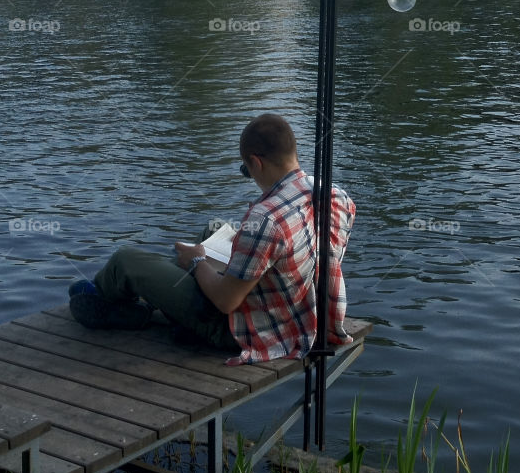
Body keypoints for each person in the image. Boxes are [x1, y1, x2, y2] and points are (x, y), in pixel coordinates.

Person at [68, 114, 356, 365]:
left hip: (248, 328)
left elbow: (226, 301)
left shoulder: (266, 219)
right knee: (213, 229)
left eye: (246, 170)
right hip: (301, 311)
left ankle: (105, 303)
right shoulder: (333, 194)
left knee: (125, 260)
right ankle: (164, 305)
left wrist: (196, 261)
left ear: (255, 162)